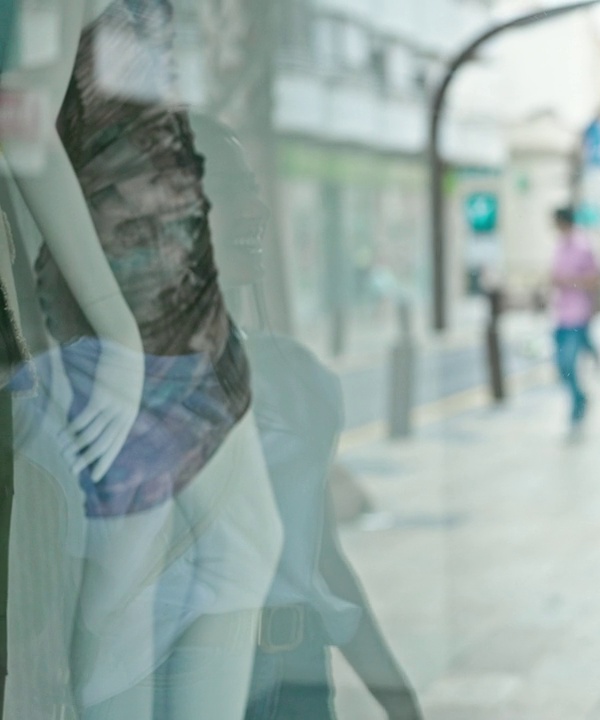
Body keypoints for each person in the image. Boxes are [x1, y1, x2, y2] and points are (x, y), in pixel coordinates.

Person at [1, 1, 282, 717]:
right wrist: (117, 330)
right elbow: (18, 121)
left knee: (241, 547)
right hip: (132, 303)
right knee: (129, 584)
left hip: (183, 294)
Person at [189, 113, 423, 720]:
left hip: (298, 676)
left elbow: (322, 559)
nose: (255, 211)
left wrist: (399, 699)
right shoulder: (122, 385)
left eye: (252, 190)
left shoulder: (297, 376)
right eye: (226, 191)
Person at [549, 206, 600, 429]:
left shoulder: (583, 246)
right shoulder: (559, 247)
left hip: (578, 314)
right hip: (560, 314)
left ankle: (577, 405)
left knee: (569, 362)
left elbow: (596, 278)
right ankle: (579, 397)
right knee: (560, 366)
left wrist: (569, 281)